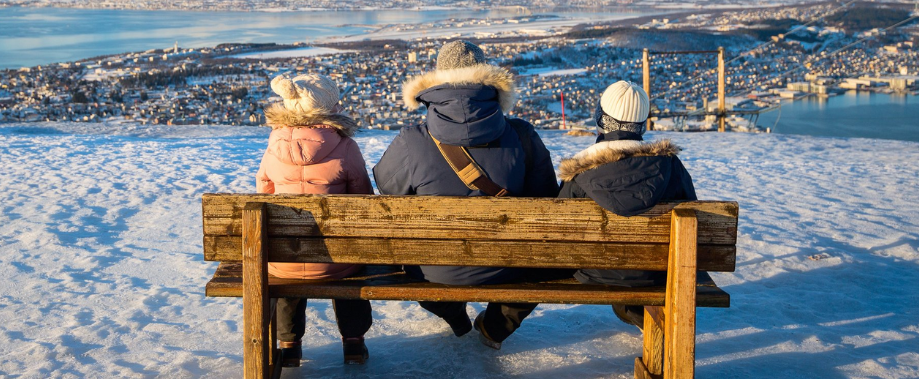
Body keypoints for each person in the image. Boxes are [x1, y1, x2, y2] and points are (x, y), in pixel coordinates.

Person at [373, 40, 558, 350]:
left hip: (434, 271)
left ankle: (454, 316)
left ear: (436, 80)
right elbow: (549, 201)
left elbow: (388, 188)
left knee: (414, 266)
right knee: (545, 263)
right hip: (509, 267)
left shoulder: (412, 139)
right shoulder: (523, 136)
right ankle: (496, 327)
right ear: (488, 79)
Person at [556, 80, 698, 329]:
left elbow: (558, 229)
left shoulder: (579, 173)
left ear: (601, 119)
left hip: (591, 271)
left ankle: (493, 329)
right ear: (641, 124)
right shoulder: (670, 167)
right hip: (654, 272)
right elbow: (691, 211)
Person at [255, 73, 374, 366]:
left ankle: (289, 344)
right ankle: (354, 342)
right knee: (347, 261)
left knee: (287, 262)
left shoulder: (274, 145)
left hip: (285, 260)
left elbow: (264, 193)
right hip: (337, 260)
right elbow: (364, 202)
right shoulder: (345, 147)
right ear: (328, 108)